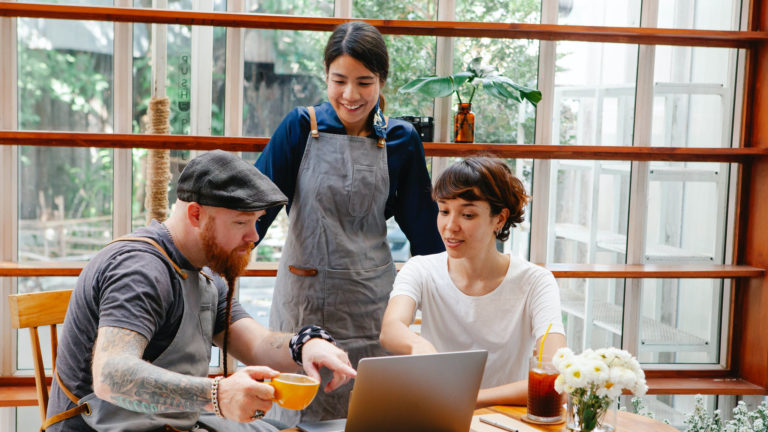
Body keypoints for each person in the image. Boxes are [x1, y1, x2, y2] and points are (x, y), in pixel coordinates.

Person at [45, 150, 357, 432]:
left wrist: (305, 345)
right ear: (196, 214)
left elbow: (257, 343)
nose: (253, 236)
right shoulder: (140, 270)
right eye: (240, 222)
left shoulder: (204, 271)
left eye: (257, 222)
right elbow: (111, 376)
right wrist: (217, 395)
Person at [254, 21, 443, 423]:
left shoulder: (402, 139)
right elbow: (255, 211)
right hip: (303, 304)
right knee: (298, 416)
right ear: (325, 76)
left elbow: (425, 234)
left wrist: (456, 294)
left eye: (364, 82)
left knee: (369, 417)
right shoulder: (300, 128)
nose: (351, 95)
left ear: (381, 81)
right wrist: (213, 269)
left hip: (371, 306)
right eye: (339, 80)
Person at [379, 157, 566, 408]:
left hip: (505, 419)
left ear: (499, 219)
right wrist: (417, 344)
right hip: (440, 415)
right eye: (444, 211)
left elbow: (555, 376)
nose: (450, 227)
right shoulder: (421, 269)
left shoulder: (535, 282)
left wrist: (467, 399)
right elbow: (390, 329)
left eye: (467, 214)